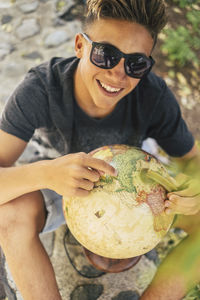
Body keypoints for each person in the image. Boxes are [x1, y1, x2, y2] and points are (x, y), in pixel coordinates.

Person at [0, 0, 199, 299]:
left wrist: (193, 192)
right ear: (80, 45)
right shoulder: (40, 89)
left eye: (136, 64)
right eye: (106, 54)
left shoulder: (154, 96)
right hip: (61, 177)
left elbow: (193, 164)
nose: (118, 75)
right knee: (11, 213)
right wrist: (47, 173)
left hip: (135, 179)